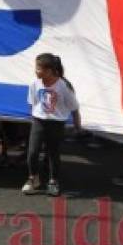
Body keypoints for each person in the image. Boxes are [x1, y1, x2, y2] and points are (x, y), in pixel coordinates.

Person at [23, 53, 80, 197]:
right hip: (39, 121)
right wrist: (34, 119)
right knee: (32, 152)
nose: (35, 71)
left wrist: (77, 126)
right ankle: (33, 178)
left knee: (53, 153)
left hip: (56, 123)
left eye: (38, 68)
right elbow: (33, 104)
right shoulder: (34, 84)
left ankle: (53, 181)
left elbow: (74, 108)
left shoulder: (63, 86)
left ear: (49, 71)